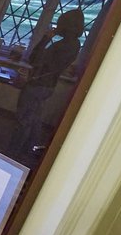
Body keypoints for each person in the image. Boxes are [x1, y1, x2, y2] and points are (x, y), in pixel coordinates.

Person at [13, 9, 84, 156]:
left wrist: (45, 38)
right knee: (34, 119)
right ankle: (27, 151)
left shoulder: (61, 46)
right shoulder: (75, 45)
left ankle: (13, 152)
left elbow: (34, 59)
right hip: (49, 86)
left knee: (23, 120)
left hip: (38, 84)